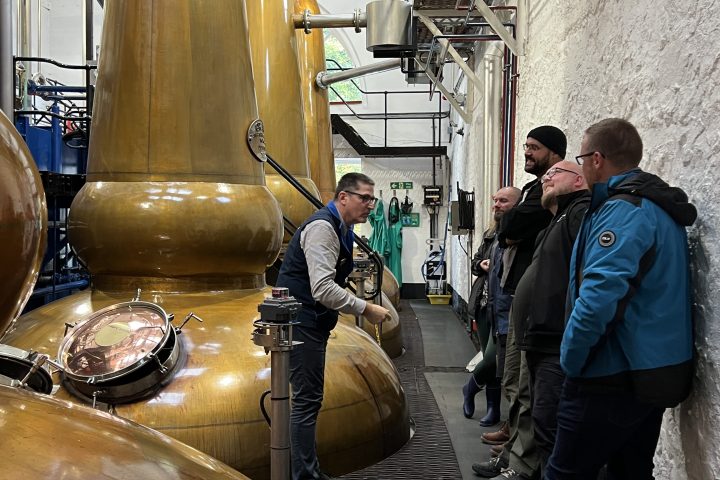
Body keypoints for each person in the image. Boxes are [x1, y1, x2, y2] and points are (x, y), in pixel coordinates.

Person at [546, 118, 696, 480]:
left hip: (609, 374)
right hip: (651, 374)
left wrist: (571, 360)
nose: (580, 165)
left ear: (597, 159)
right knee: (631, 472)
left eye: (581, 157)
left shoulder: (623, 211)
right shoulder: (658, 209)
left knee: (564, 473)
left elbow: (598, 298)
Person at [277, 172, 390, 480]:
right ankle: (304, 475)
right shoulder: (322, 228)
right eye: (364, 198)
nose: (370, 205)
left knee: (309, 399)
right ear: (343, 197)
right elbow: (323, 289)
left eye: (372, 198)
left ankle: (307, 471)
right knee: (306, 400)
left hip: (313, 321)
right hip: (301, 321)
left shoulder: (344, 229)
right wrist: (366, 308)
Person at [474, 125, 566, 479]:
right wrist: (509, 224)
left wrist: (511, 226)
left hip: (534, 311)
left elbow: (511, 227)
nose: (527, 153)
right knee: (512, 379)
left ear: (555, 153)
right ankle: (513, 455)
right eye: (526, 146)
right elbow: (506, 227)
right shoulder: (532, 190)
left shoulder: (547, 193)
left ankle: (522, 466)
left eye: (535, 148)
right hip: (512, 304)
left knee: (523, 385)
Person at [512, 160, 590, 477]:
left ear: (579, 180)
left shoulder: (581, 212)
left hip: (557, 343)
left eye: (554, 173)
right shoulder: (556, 221)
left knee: (553, 427)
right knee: (543, 424)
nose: (546, 178)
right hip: (542, 340)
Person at [463, 186, 521, 423]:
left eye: (503, 201)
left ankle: (470, 388)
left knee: (493, 358)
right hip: (484, 304)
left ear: (517, 205)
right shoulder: (490, 233)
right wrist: (482, 265)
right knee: (494, 360)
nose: (496, 205)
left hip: (504, 307)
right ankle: (493, 409)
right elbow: (475, 262)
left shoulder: (518, 234)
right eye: (495, 200)